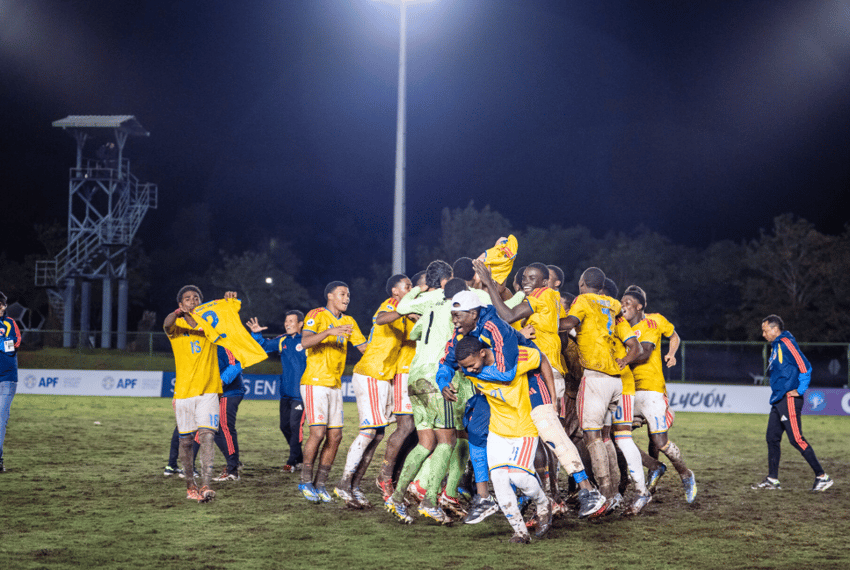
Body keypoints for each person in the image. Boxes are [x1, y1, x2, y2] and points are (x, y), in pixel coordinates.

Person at [559, 267, 643, 514]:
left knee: (592, 438)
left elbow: (568, 323)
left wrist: (542, 318)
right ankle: (615, 494)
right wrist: (625, 361)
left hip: (595, 378)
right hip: (616, 380)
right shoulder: (614, 306)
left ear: (582, 283)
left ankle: (605, 495)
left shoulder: (583, 300)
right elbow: (634, 347)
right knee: (606, 438)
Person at [455, 336, 551, 543]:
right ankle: (520, 532)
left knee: (518, 478)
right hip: (498, 431)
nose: (469, 371)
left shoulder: (515, 357)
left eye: (471, 365)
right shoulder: (472, 370)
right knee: (498, 481)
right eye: (465, 368)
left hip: (524, 429)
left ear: (482, 353)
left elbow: (541, 358)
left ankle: (544, 504)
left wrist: (551, 400)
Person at [334, 274, 412, 508]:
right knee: (368, 431)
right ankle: (343, 483)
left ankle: (355, 486)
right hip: (371, 373)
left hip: (384, 377)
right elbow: (380, 319)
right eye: (406, 286)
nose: (410, 289)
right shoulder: (392, 304)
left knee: (378, 435)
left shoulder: (406, 312)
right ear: (395, 292)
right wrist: (406, 310)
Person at [621, 285, 697, 503]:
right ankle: (653, 467)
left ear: (640, 306)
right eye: (622, 302)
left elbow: (649, 350)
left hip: (652, 388)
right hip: (628, 389)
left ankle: (685, 473)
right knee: (618, 436)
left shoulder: (652, 322)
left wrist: (672, 354)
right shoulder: (620, 326)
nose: (623, 305)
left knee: (658, 440)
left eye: (628, 302)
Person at [163, 286, 235, 503]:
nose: (192, 301)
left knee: (207, 436)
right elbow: (166, 324)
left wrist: (229, 303)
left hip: (209, 390)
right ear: (181, 304)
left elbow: (228, 320)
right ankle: (190, 487)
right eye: (187, 298)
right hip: (184, 392)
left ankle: (206, 485)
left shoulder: (211, 324)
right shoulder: (177, 326)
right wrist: (178, 314)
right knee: (185, 441)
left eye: (196, 298)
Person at [298, 281, 367, 503]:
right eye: (342, 294)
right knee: (317, 433)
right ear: (330, 295)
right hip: (314, 382)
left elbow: (364, 349)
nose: (347, 298)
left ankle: (320, 484)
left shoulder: (349, 321)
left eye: (348, 295)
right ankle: (305, 481)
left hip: (335, 385)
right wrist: (329, 331)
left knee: (335, 437)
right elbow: (306, 341)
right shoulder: (316, 315)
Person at [752, 315, 833, 492]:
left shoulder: (786, 342)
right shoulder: (776, 347)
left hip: (789, 399)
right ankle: (772, 479)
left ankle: (822, 477)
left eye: (765, 330)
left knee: (796, 439)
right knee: (771, 437)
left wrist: (800, 390)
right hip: (778, 399)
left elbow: (805, 366)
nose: (763, 334)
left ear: (775, 329)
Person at [246, 311, 307, 473]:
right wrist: (257, 334)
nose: (287, 324)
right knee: (284, 426)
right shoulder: (282, 340)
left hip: (301, 395)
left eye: (291, 321)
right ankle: (300, 457)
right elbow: (264, 346)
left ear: (300, 323)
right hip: (285, 393)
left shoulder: (308, 341)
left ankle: (292, 461)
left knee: (295, 426)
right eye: (286, 321)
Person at [212, 347, 246, 481]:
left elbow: (235, 364)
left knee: (226, 429)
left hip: (229, 392)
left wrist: (220, 383)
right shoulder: (207, 344)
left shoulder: (224, 343)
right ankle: (234, 463)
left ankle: (232, 471)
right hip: (216, 392)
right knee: (214, 430)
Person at [0, 291, 21, 474]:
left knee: (0, 420)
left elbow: (11, 347)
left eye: (0, 304)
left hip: (7, 379)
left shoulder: (11, 323)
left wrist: (2, 342)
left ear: (4, 306)